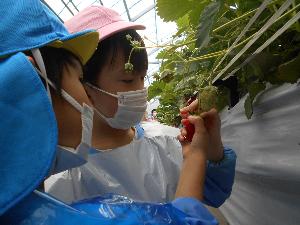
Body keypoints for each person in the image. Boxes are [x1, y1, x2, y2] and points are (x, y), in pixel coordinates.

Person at [0, 0, 219, 224]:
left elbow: (213, 189)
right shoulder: (63, 184)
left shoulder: (30, 206)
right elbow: (185, 220)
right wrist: (197, 155)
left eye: (142, 78)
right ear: (31, 81)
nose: (139, 91)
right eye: (77, 77)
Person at [45, 5, 237, 209]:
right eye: (127, 80)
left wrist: (211, 148)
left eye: (142, 77)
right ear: (83, 85)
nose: (140, 90)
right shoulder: (68, 175)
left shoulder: (165, 140)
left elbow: (214, 193)